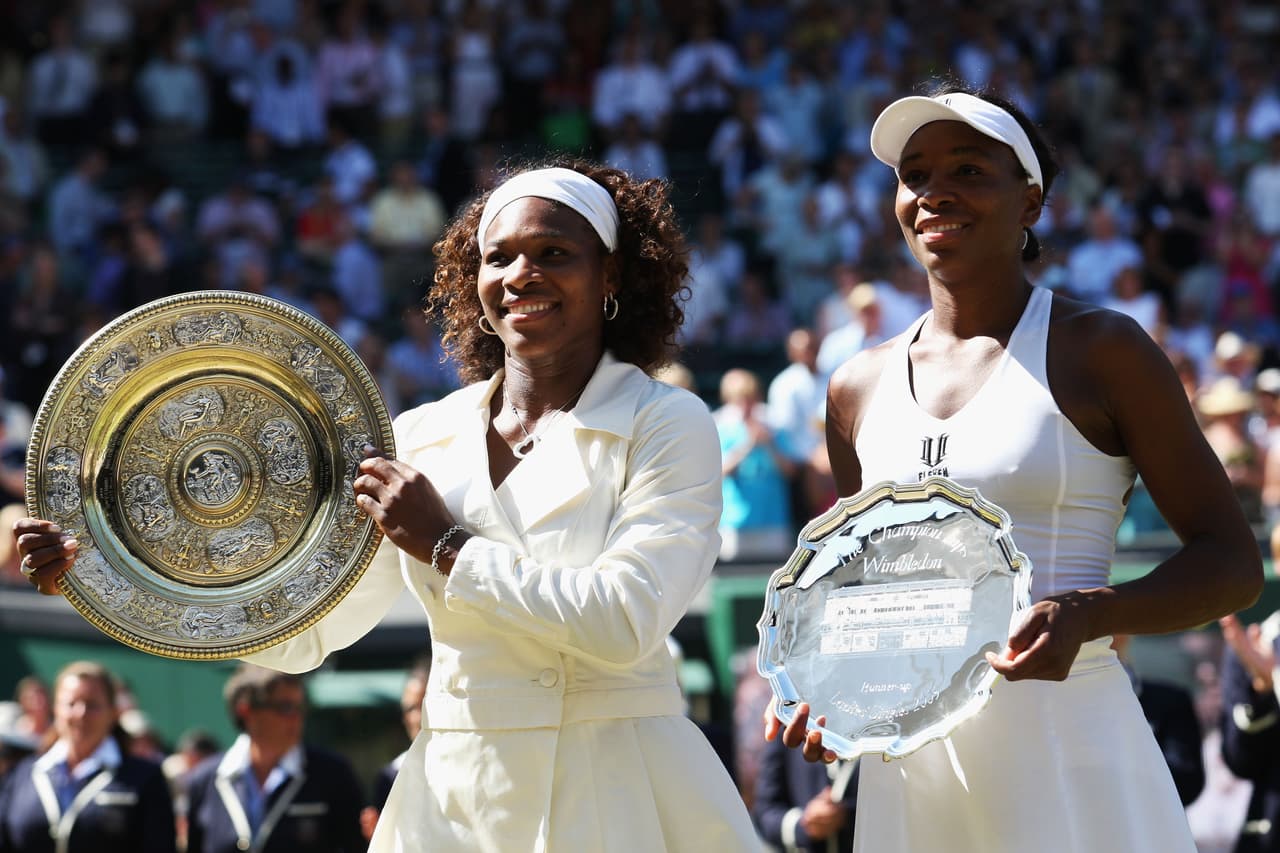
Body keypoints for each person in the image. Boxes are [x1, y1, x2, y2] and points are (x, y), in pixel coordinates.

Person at [18, 162, 762, 850]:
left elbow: (625, 618)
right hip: (450, 802)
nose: (521, 274)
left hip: (618, 789)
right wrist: (118, 576)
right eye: (498, 257)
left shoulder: (668, 421)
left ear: (613, 274)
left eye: (554, 253)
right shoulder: (421, 433)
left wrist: (447, 547)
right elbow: (311, 629)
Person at [767, 83, 1262, 853]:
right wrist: (827, 695)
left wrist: (1090, 614)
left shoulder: (1105, 349)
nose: (935, 192)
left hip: (1076, 752)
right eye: (916, 173)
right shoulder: (853, 386)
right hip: (916, 780)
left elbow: (1233, 566)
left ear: (1030, 202)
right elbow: (859, 595)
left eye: (969, 170)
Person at [182, 664, 364, 853]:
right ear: (246, 711)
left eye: (300, 707)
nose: (297, 718)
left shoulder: (332, 774)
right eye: (285, 707)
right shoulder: (205, 780)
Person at [0, 661, 177, 853]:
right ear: (55, 709)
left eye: (92, 705)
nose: (80, 713)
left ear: (113, 713)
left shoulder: (144, 778)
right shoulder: (23, 775)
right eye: (71, 703)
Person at [359, 660, 429, 841]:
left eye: (424, 705)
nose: (417, 717)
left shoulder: (465, 765)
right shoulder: (389, 777)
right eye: (410, 708)